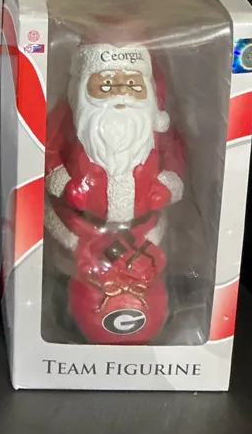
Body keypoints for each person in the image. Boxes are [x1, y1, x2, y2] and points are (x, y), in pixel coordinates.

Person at [43, 41, 185, 343]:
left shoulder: (156, 129)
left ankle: (137, 310)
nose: (120, 92)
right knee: (72, 270)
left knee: (143, 268)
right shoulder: (72, 121)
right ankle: (72, 311)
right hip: (79, 226)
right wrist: (61, 180)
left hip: (143, 228)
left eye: (132, 85)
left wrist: (168, 183)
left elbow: (175, 153)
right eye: (106, 85)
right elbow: (47, 146)